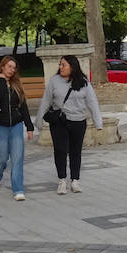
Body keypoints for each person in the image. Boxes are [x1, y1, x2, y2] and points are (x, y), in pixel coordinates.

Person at [35, 55, 102, 195]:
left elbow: (92, 102)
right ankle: (62, 180)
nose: (60, 67)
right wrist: (39, 120)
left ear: (72, 66)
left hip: (78, 122)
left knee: (75, 152)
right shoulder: (54, 81)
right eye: (60, 64)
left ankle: (75, 180)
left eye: (63, 65)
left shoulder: (83, 82)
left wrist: (98, 122)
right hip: (59, 122)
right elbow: (46, 101)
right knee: (60, 151)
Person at [0, 56, 34, 201]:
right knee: (1, 157)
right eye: (9, 67)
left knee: (18, 158)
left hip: (16, 125)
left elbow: (23, 105)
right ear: (2, 67)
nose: (12, 70)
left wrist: (29, 126)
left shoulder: (16, 84)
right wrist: (1, 80)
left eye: (14, 68)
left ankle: (18, 189)